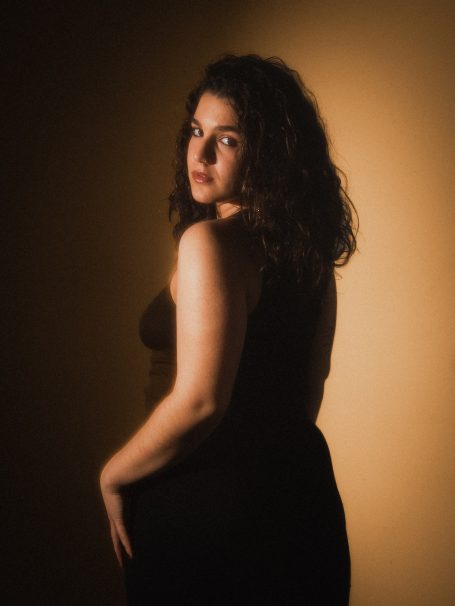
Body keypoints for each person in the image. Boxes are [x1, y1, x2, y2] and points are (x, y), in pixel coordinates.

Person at [100, 54, 357, 605]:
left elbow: (201, 403)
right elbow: (309, 386)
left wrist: (114, 475)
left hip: (205, 505)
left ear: (269, 154)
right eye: (197, 131)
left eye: (228, 139)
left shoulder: (210, 244)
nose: (200, 153)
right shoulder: (307, 253)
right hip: (301, 500)